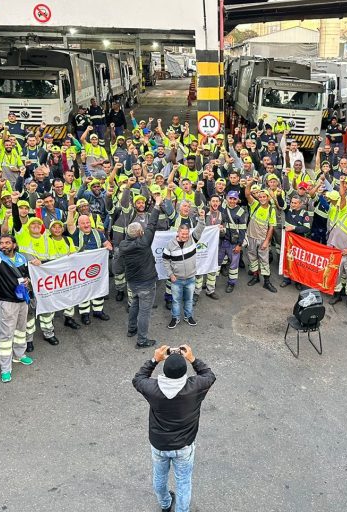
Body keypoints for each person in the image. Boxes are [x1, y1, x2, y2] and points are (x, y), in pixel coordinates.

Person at [133, 344, 216, 512]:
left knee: (159, 477)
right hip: (184, 445)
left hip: (159, 445)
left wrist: (155, 359)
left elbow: (138, 378)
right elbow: (209, 375)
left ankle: (165, 504)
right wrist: (192, 358)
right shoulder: (195, 387)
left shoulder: (153, 389)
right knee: (184, 482)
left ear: (165, 372)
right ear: (184, 373)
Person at [118, 197, 164, 349]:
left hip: (132, 282)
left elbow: (145, 229)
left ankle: (132, 329)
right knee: (145, 312)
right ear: (140, 233)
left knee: (135, 305)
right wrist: (157, 205)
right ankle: (142, 340)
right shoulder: (144, 243)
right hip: (147, 282)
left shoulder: (124, 245)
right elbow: (152, 224)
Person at [0, 234, 36, 383]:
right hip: (7, 302)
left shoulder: (22, 258)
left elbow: (27, 274)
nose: (3, 245)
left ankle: (19, 355)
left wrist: (28, 280)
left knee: (20, 329)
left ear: (14, 245)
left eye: (7, 243)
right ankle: (5, 368)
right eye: (1, 243)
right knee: (6, 335)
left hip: (22, 300)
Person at [162, 209, 207, 329]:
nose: (185, 236)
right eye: (183, 234)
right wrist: (170, 274)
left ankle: (188, 316)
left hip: (191, 278)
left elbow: (200, 228)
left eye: (187, 234)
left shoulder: (193, 239)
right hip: (176, 279)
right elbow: (165, 260)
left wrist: (202, 218)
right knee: (176, 301)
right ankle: (175, 318)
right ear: (178, 232)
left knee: (189, 300)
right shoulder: (170, 245)